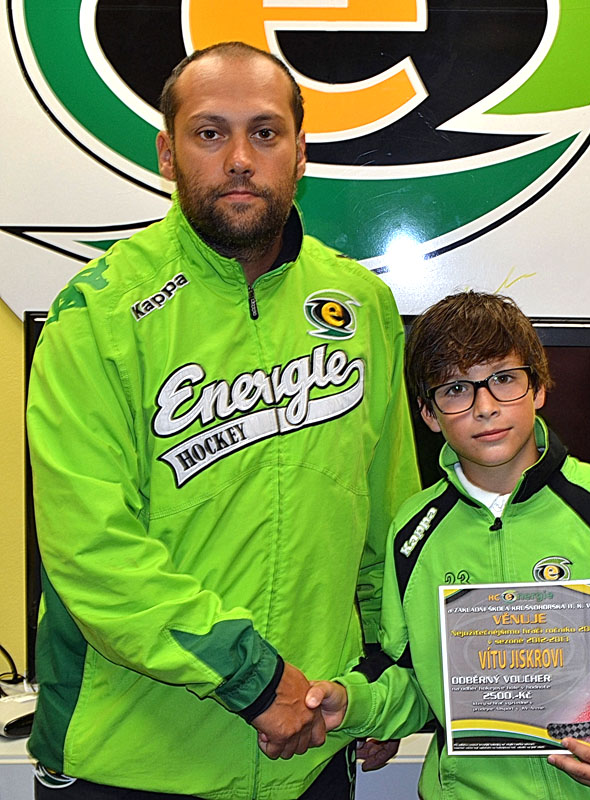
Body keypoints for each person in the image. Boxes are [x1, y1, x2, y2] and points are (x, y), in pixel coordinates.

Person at [25, 41, 420, 800]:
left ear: (300, 153)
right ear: (167, 154)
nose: (240, 158)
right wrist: (260, 682)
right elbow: (92, 551)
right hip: (133, 763)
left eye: (265, 133)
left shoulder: (361, 304)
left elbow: (388, 520)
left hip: (309, 753)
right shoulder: (98, 312)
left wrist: (381, 675)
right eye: (210, 133)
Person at [304, 291, 590, 799]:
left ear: (538, 387)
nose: (485, 407)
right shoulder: (413, 530)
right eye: (456, 389)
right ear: (429, 414)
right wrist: (352, 703)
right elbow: (413, 680)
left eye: (503, 379)